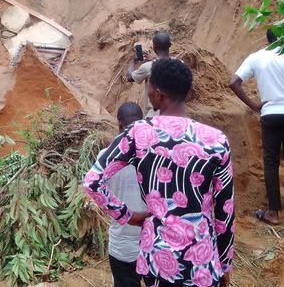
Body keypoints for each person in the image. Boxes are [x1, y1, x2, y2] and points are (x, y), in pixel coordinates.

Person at [85, 59, 235, 287]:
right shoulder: (216, 140)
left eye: (148, 88)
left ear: (157, 94)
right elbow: (225, 212)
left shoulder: (138, 134)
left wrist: (128, 216)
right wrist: (224, 264)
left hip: (158, 260)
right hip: (201, 261)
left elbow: (93, 181)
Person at [228, 30, 284, 226]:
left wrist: (254, 105)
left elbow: (233, 82)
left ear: (267, 39)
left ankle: (273, 213)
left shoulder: (256, 57)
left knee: (271, 162)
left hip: (269, 113)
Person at [105, 102, 147, 287]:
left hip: (122, 244)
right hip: (153, 240)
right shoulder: (155, 156)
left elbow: (93, 189)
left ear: (119, 126)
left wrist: (126, 215)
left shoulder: (105, 158)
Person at [127, 31, 173, 117]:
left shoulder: (148, 67)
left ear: (154, 47)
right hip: (175, 115)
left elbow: (129, 77)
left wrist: (133, 60)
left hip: (154, 116)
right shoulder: (180, 64)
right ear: (169, 45)